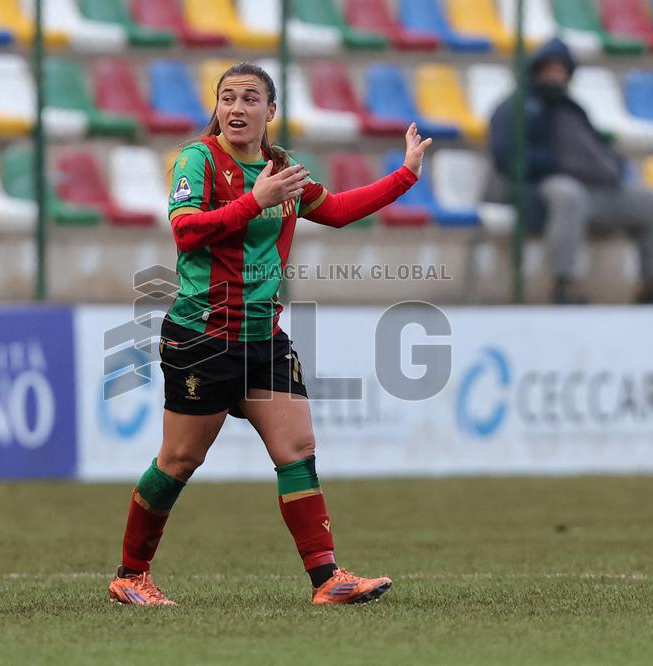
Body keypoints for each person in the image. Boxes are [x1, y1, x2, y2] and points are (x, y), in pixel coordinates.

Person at [107, 62, 432, 606]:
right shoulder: (199, 159)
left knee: (297, 448)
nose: (236, 108)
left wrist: (406, 175)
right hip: (202, 337)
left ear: (271, 111)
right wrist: (253, 201)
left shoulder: (283, 168)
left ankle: (327, 580)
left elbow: (338, 210)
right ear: (216, 108)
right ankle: (130, 575)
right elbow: (186, 232)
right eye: (227, 98)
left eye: (250, 98)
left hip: (265, 337)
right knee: (179, 462)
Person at [489, 37, 653, 305]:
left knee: (651, 201)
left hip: (593, 188)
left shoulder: (572, 108)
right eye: (549, 68)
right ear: (536, 69)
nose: (555, 75)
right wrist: (557, 163)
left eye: (561, 69)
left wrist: (611, 165)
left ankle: (650, 285)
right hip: (539, 187)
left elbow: (595, 147)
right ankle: (563, 284)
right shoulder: (516, 107)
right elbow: (506, 157)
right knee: (569, 195)